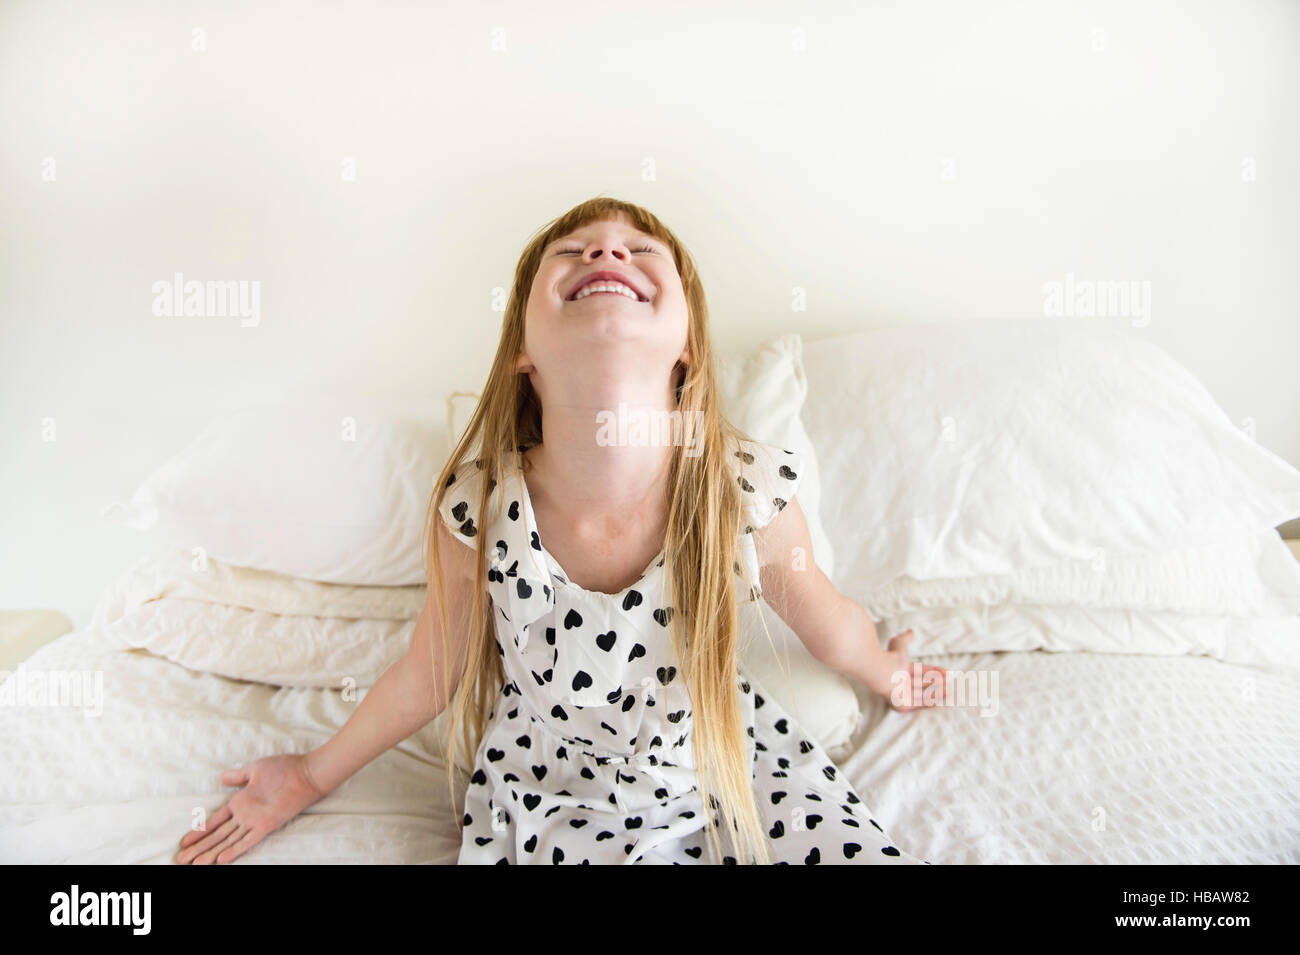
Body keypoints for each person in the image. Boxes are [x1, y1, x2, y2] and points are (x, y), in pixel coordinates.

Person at [177, 196, 947, 866]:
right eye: (573, 252)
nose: (607, 251)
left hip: (728, 768)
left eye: (640, 250)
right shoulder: (479, 507)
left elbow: (829, 620)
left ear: (686, 344)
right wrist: (310, 774)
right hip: (554, 797)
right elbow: (430, 672)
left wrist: (889, 673)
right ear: (522, 350)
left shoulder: (739, 490)